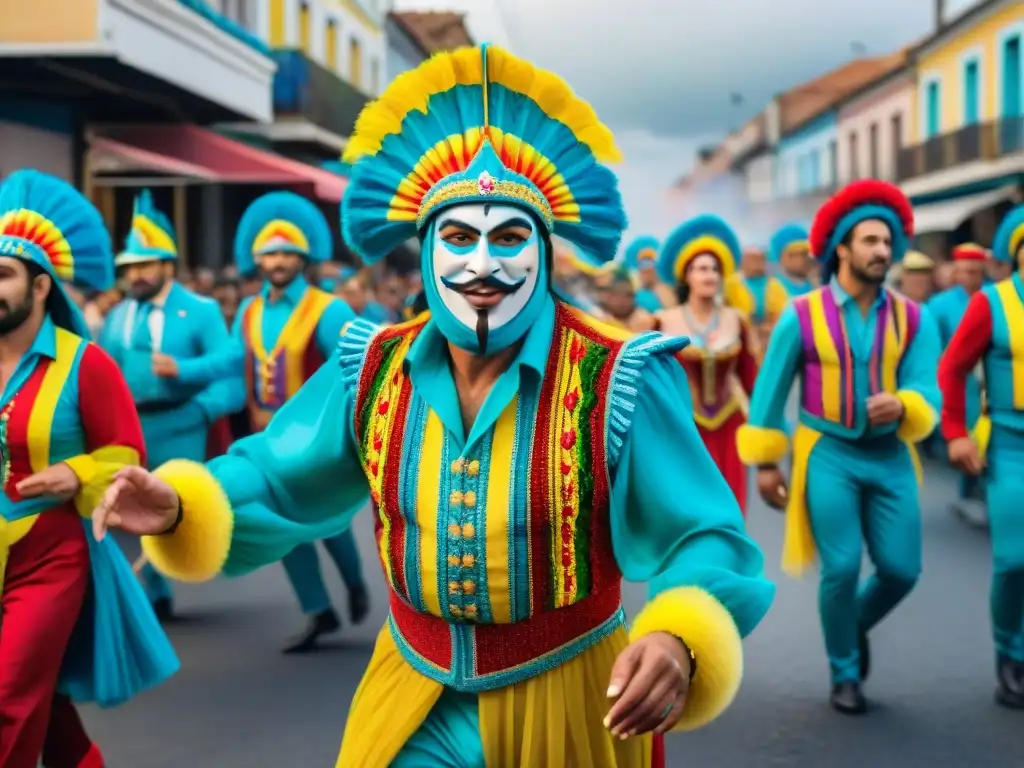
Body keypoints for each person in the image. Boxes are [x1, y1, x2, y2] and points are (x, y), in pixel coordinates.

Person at [93, 43, 775, 768]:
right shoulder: (373, 366)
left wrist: (678, 634)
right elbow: (276, 470)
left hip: (571, 695)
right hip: (414, 689)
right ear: (423, 251)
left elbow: (703, 532)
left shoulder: (618, 376)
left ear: (545, 251)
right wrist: (179, 504)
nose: (483, 265)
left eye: (510, 237)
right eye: (457, 237)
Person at [737, 179, 940, 715]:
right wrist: (764, 464)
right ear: (842, 249)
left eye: (886, 242)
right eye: (869, 241)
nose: (882, 251)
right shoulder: (801, 313)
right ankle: (844, 672)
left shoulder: (913, 318)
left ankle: (851, 628)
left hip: (892, 456)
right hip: (827, 452)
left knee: (902, 571)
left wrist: (906, 404)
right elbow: (769, 391)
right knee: (843, 566)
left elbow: (927, 386)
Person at [0, 170, 178, 768]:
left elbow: (128, 454)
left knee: (8, 698)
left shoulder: (86, 363)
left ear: (41, 286)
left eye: (3, 275)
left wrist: (78, 472)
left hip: (51, 557)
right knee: (43, 706)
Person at [231, 191, 370, 652]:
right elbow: (234, 368)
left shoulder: (327, 309)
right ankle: (318, 610)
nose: (277, 260)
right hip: (265, 440)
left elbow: (356, 364)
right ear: (256, 258)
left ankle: (353, 581)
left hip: (315, 442)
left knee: (330, 525)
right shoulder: (248, 312)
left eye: (287, 251)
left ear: (304, 256)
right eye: (269, 252)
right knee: (280, 526)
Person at [100, 190, 245, 621]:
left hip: (181, 422)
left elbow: (231, 368)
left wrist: (188, 382)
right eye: (131, 267)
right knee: (124, 509)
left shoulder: (199, 310)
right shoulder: (117, 315)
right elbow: (99, 368)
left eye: (146, 264)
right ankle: (156, 593)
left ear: (168, 265)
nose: (137, 274)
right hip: (128, 424)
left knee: (168, 508)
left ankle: (184, 568)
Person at [938, 205, 1024, 709]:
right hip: (1010, 443)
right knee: (1014, 559)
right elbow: (952, 369)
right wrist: (955, 433)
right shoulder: (992, 303)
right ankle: (1011, 656)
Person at [653, 215, 759, 514]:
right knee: (687, 511)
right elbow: (647, 384)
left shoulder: (736, 320)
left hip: (730, 425)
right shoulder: (663, 321)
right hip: (682, 427)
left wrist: (765, 433)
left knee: (730, 510)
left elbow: (753, 381)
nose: (709, 275)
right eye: (701, 269)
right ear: (686, 276)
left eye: (714, 269)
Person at [928, 243, 988, 513]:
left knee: (988, 434)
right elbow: (930, 345)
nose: (968, 277)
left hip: (989, 378)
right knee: (964, 429)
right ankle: (967, 488)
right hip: (958, 378)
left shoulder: (994, 297)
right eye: (963, 271)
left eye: (974, 271)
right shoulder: (940, 305)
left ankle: (987, 491)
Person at [723, 243, 787, 351]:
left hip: (768, 338)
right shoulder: (732, 284)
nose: (754, 263)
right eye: (750, 259)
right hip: (739, 336)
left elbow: (781, 315)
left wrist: (768, 328)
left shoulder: (775, 286)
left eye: (758, 259)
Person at [598, 266, 657, 333]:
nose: (622, 300)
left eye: (628, 295)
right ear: (607, 296)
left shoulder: (644, 319)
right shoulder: (599, 320)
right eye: (616, 294)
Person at [623, 235, 673, 312]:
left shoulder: (664, 290)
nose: (646, 272)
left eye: (650, 265)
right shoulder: (635, 293)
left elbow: (672, 311)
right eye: (642, 266)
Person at [770, 223, 815, 299]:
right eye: (793, 255)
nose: (801, 259)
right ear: (780, 258)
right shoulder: (773, 291)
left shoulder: (815, 287)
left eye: (805, 253)